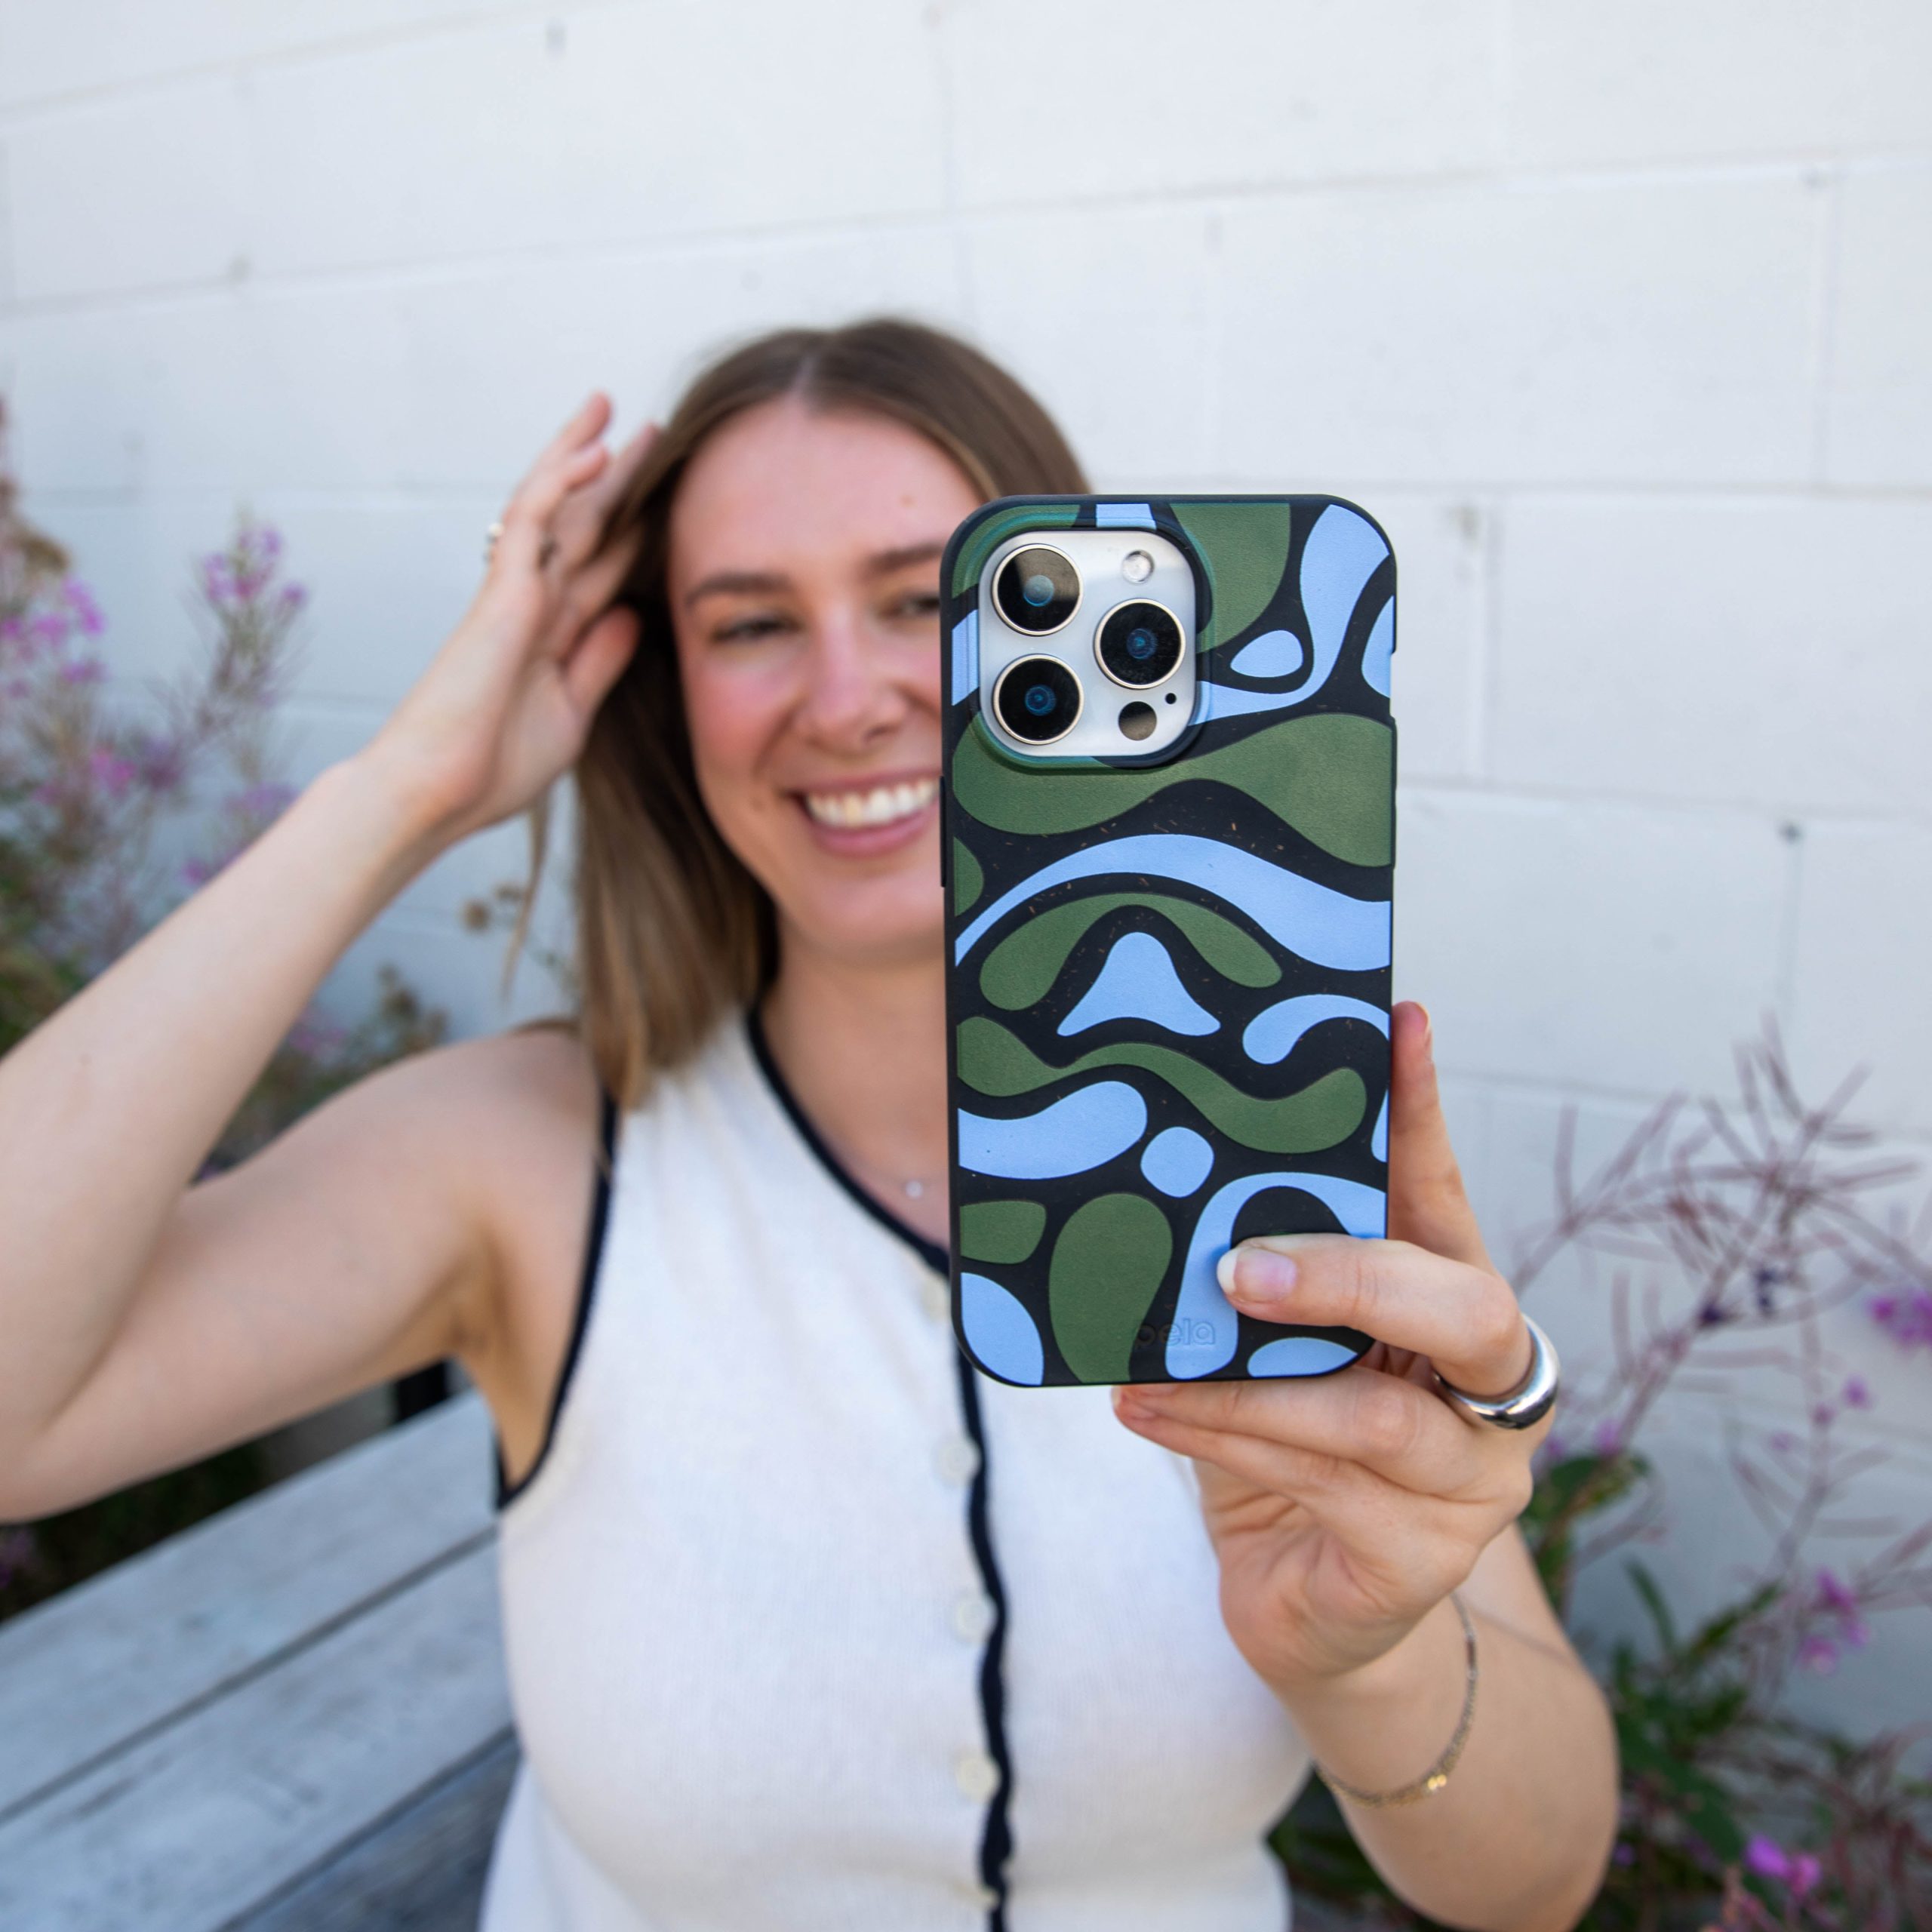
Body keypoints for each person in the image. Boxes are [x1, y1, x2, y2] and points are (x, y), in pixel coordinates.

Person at [0, 319, 1617, 1930]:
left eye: (925, 600)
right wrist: (402, 790)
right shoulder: (529, 1155)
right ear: (660, 686)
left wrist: (1369, 1660)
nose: (846, 700)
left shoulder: (1277, 1167)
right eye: (751, 623)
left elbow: (1535, 1881)